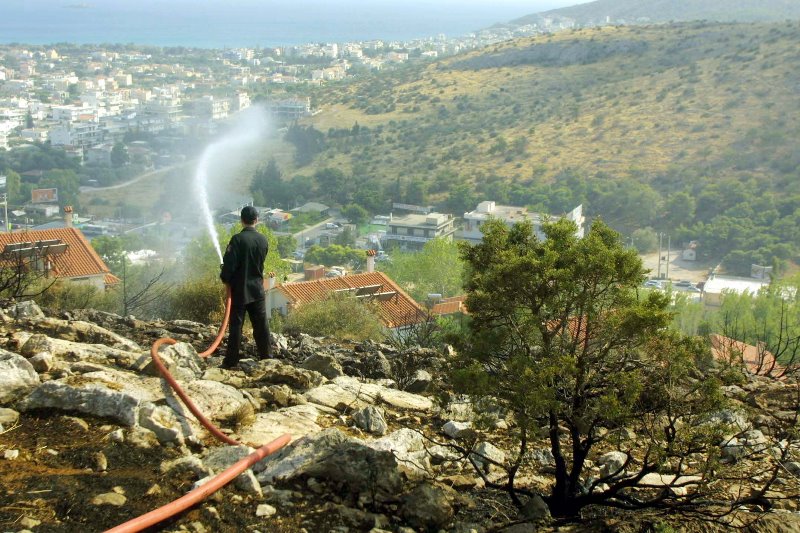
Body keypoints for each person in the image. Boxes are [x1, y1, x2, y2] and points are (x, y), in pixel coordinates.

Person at [219, 205, 271, 368]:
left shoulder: (237, 239)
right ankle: (267, 358)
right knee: (261, 326)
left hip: (239, 290)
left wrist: (224, 276)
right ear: (257, 220)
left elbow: (229, 266)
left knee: (236, 327)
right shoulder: (263, 240)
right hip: (257, 289)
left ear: (241, 220)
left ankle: (231, 361)